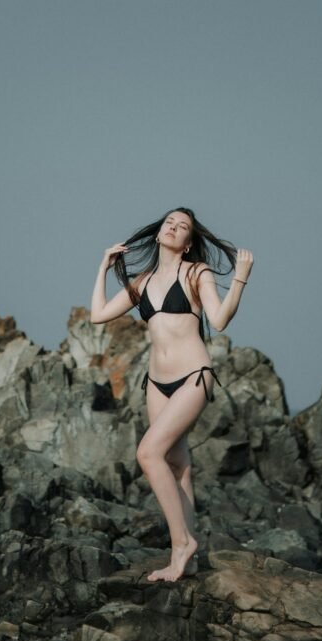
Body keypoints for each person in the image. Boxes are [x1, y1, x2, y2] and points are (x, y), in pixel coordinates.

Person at [90, 207, 253, 582]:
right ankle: (189, 555)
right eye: (169, 223)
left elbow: (219, 320)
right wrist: (104, 266)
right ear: (160, 231)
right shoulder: (143, 282)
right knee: (178, 466)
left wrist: (240, 279)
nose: (173, 228)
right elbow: (98, 314)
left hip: (193, 375)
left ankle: (182, 546)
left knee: (148, 453)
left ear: (188, 241)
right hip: (156, 383)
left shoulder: (196, 272)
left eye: (182, 227)